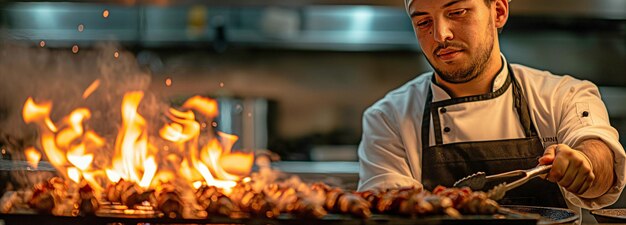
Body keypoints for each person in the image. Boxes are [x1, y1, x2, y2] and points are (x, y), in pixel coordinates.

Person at [357, 0, 626, 217]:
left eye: (457, 12)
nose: (441, 35)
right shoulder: (388, 117)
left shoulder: (561, 95)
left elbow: (598, 153)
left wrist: (585, 163)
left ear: (498, 11)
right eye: (423, 21)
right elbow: (391, 208)